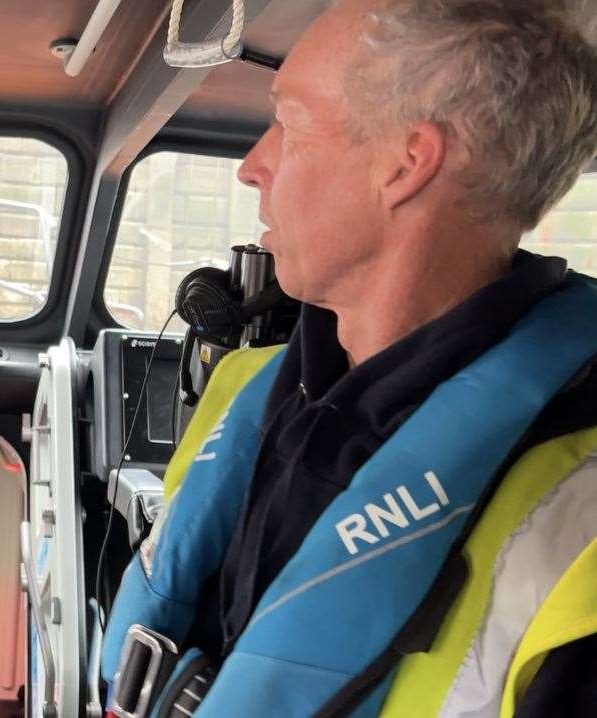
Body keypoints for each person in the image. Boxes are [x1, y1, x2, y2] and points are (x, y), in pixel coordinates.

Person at [100, 0, 597, 715]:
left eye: (289, 123)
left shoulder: (577, 516)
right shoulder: (248, 385)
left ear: (405, 164)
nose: (252, 165)